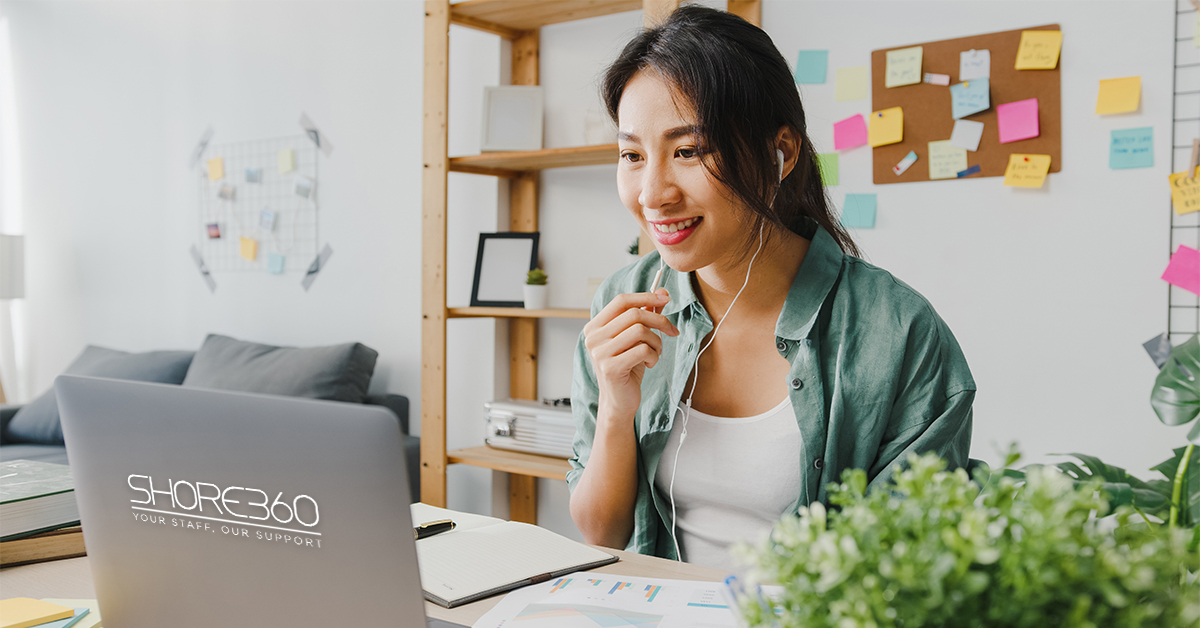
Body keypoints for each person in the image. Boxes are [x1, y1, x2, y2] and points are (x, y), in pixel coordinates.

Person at [565, 6, 976, 571]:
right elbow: (600, 534)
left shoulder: (899, 332)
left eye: (688, 151)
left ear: (780, 152)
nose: (652, 193)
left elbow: (908, 570)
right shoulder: (621, 303)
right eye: (632, 155)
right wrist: (615, 406)